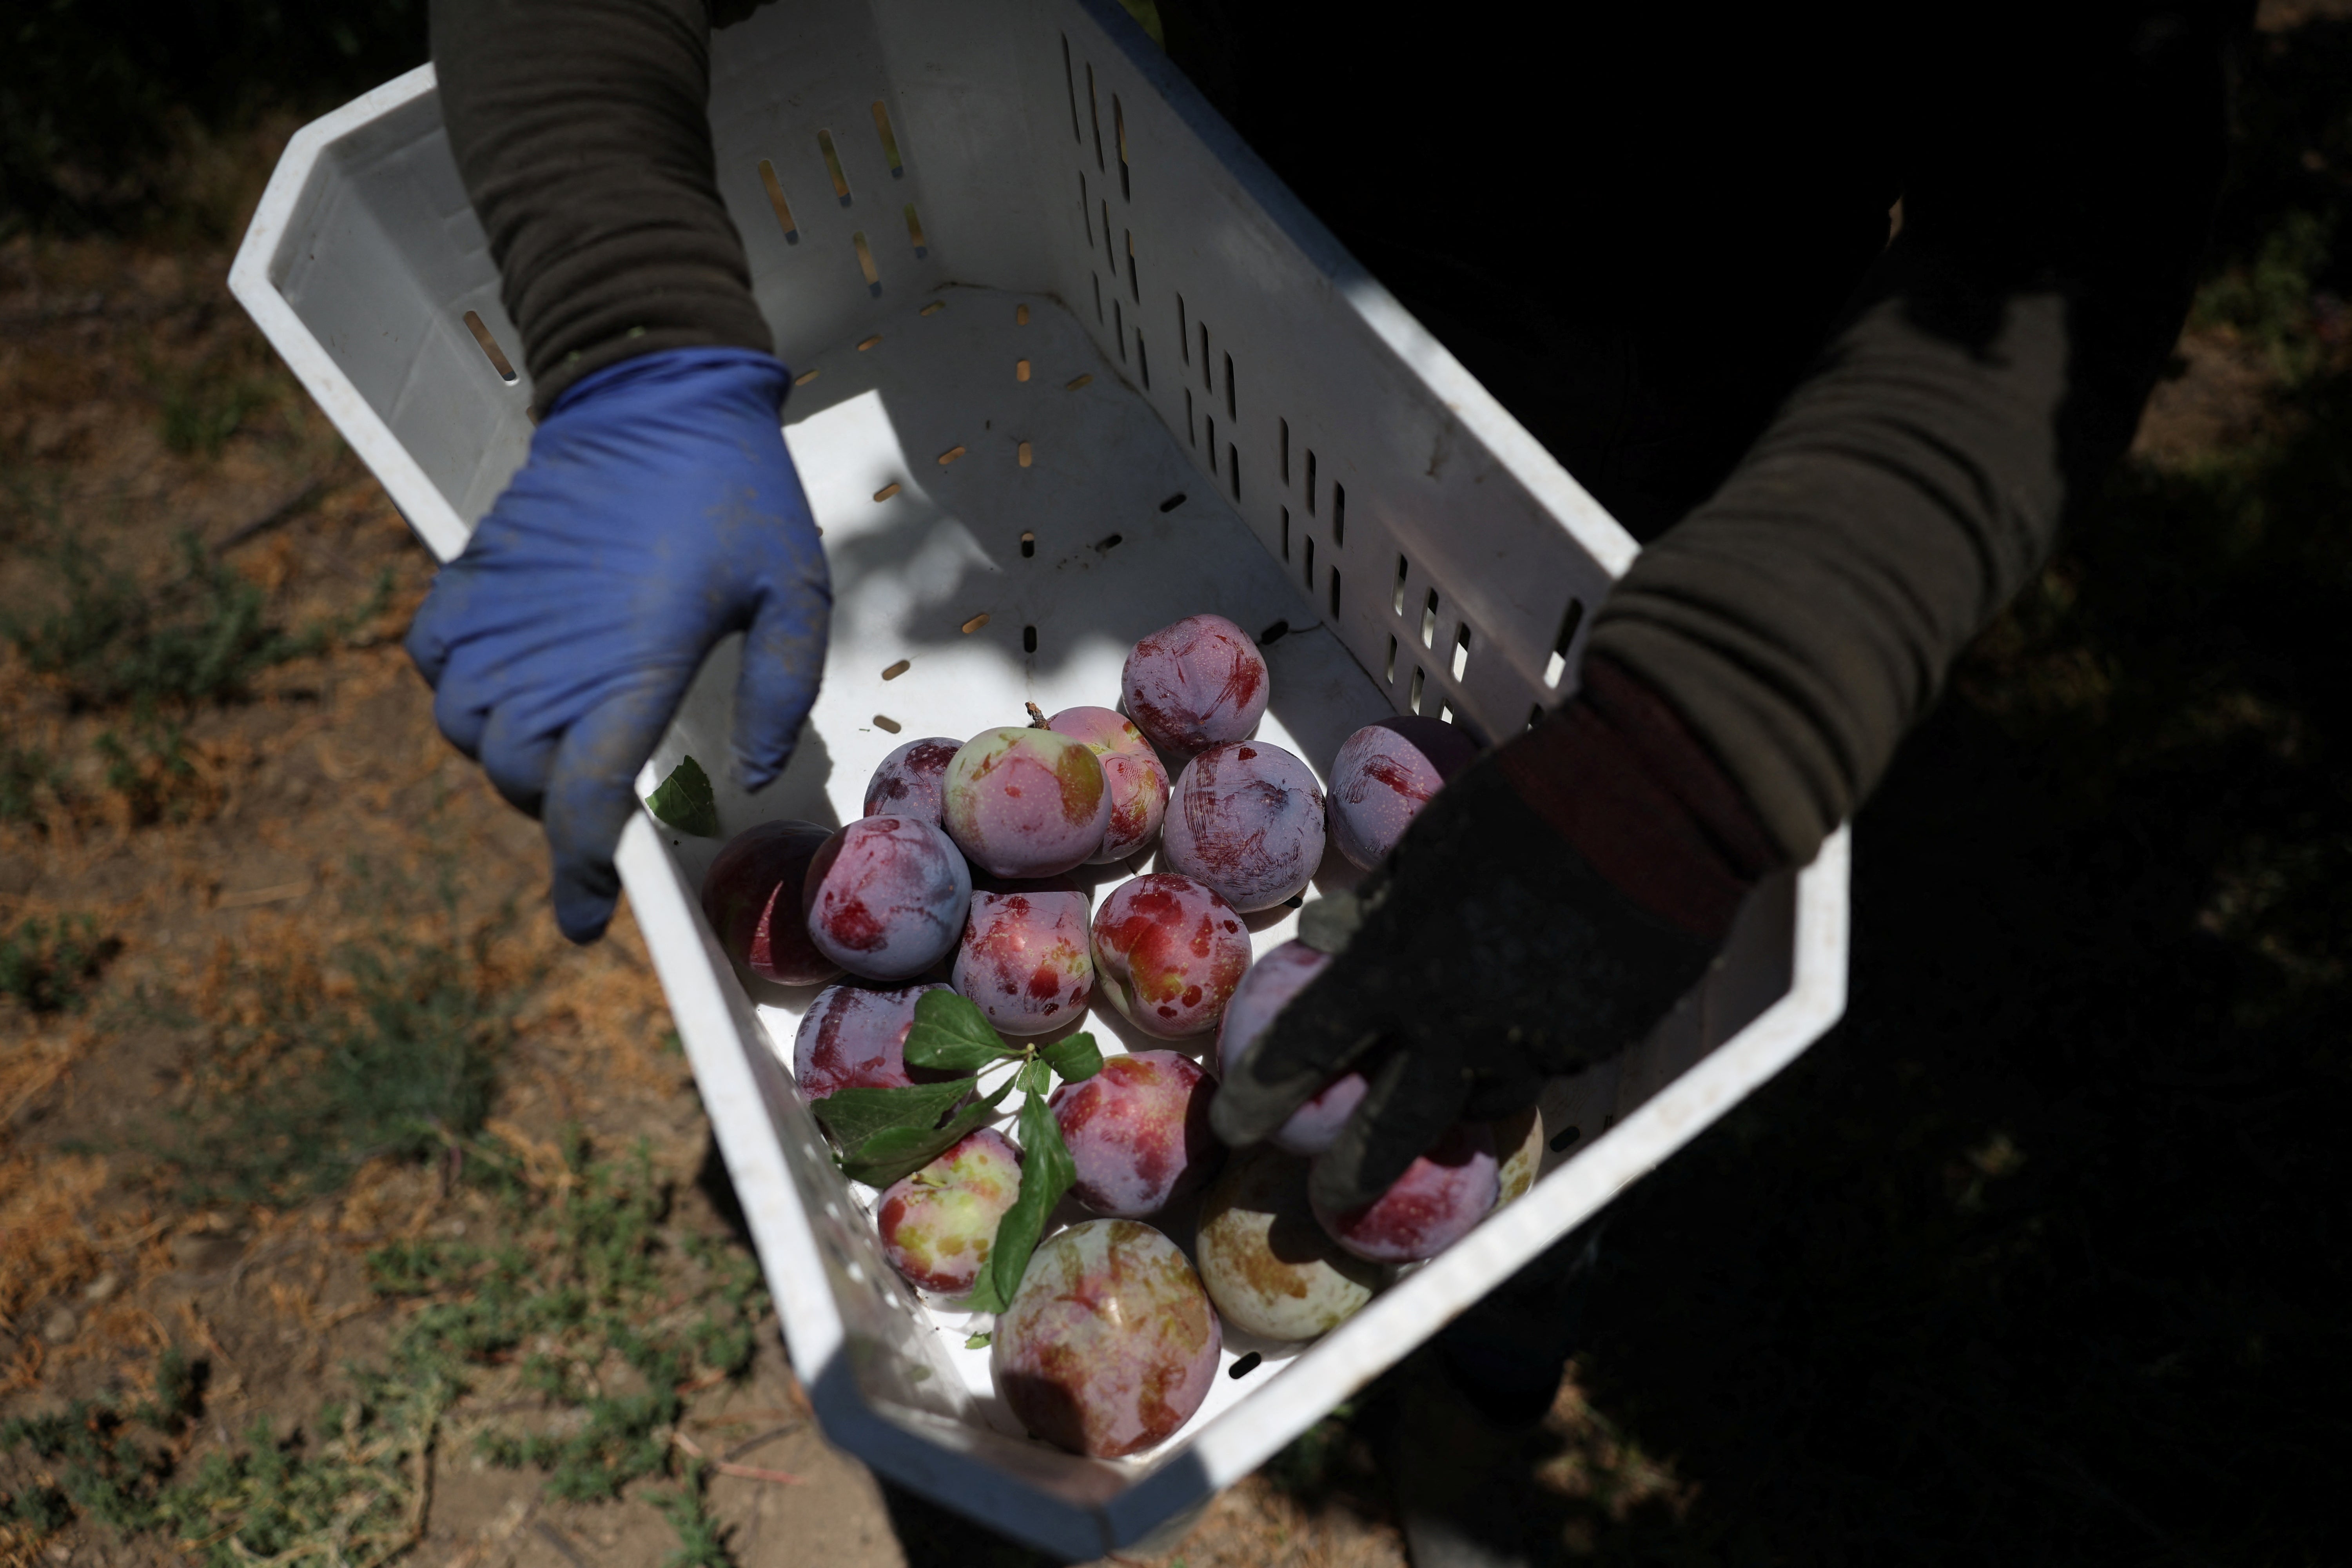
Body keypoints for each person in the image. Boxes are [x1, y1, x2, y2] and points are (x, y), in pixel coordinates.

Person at [412, 1, 2241, 1561]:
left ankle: (1484, 1398)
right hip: (1219, 256)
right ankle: (1458, 1377)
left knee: (1509, 1104)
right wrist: (633, 325)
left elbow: (2094, 154)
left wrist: (1711, 736)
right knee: (1417, 1079)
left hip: (1653, 494)